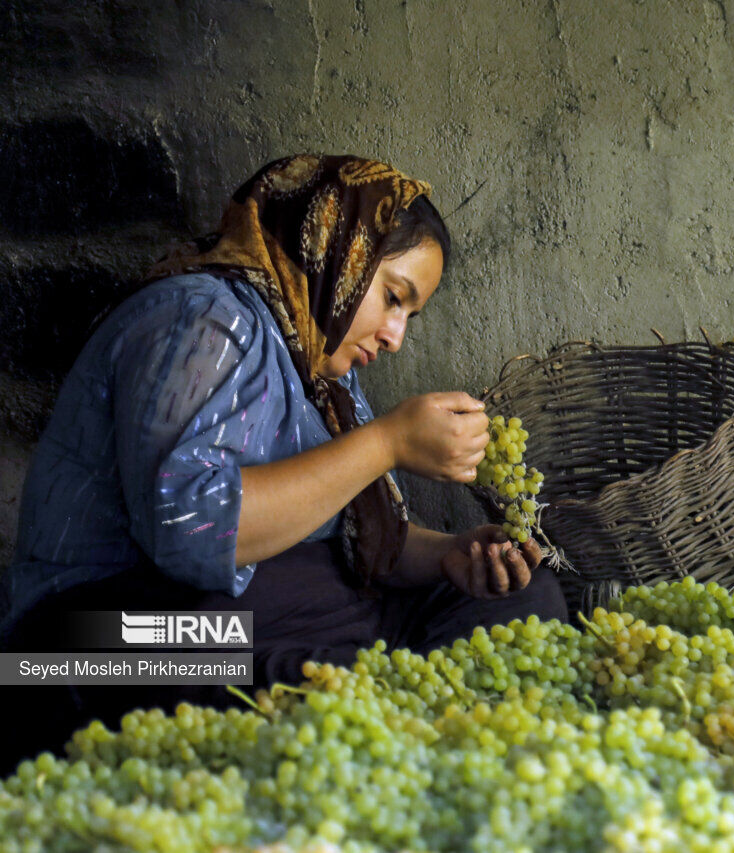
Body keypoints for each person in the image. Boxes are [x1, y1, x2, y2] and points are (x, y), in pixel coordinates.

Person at [0, 154, 566, 771]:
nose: (395, 336)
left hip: (265, 609)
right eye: (392, 298)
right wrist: (386, 443)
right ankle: (367, 708)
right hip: (104, 634)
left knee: (521, 599)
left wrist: (452, 555)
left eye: (410, 315)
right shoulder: (202, 318)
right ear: (336, 252)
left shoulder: (316, 361)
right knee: (286, 676)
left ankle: (375, 701)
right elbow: (190, 536)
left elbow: (349, 534)